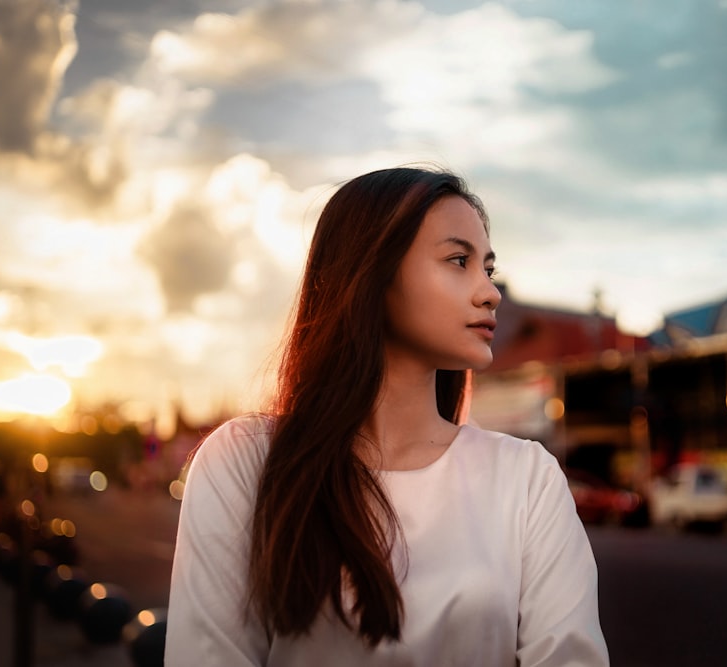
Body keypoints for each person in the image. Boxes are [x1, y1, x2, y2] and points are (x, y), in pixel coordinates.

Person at [165, 166, 610, 666]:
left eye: (487, 268)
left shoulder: (527, 478)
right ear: (372, 273)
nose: (490, 292)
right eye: (458, 260)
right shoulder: (244, 462)